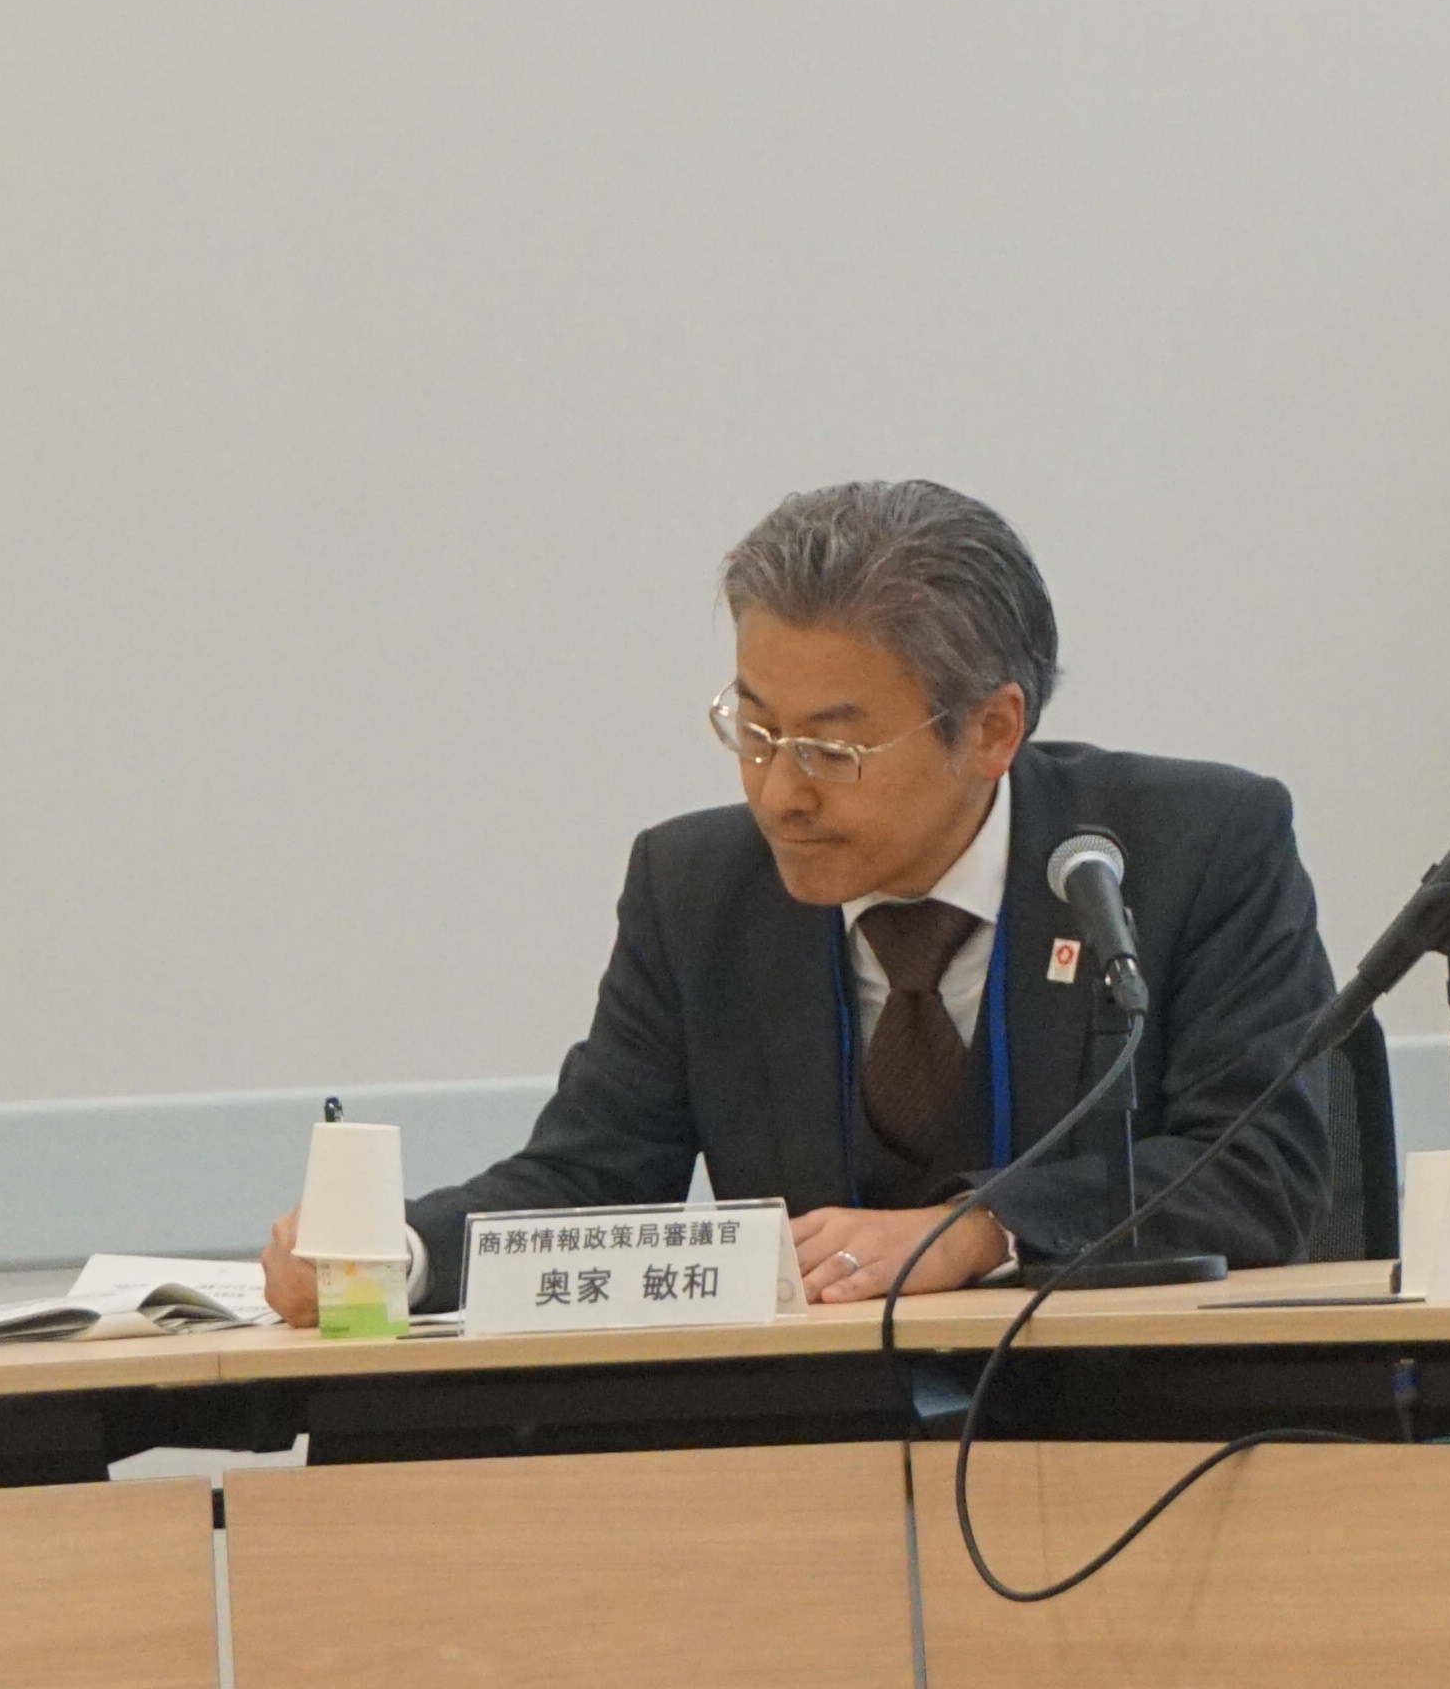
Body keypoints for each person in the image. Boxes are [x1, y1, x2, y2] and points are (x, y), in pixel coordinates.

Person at [262, 480, 1344, 1321]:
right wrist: (394, 1255)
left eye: (833, 747)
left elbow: (1260, 1168)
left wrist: (975, 1230)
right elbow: (593, 1176)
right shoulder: (697, 892)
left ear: (993, 730)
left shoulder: (1191, 851)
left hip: (1128, 1424)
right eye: (755, 731)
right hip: (817, 1437)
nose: (779, 792)